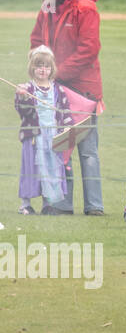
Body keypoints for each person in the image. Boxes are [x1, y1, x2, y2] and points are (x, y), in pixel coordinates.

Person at [29, 0, 104, 215]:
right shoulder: (47, 10)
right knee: (61, 146)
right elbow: (36, 40)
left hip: (84, 89)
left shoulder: (85, 9)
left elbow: (89, 49)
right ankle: (61, 204)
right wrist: (39, 65)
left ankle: (94, 206)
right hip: (55, 89)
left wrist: (56, 72)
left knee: (88, 150)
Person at [14, 46, 74, 215]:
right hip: (34, 137)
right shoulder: (28, 88)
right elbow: (23, 112)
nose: (43, 69)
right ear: (32, 67)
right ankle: (25, 204)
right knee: (31, 169)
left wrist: (68, 127)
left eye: (47, 66)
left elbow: (65, 111)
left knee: (51, 169)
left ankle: (47, 204)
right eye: (39, 65)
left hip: (53, 137)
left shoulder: (58, 89)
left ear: (52, 68)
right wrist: (22, 96)